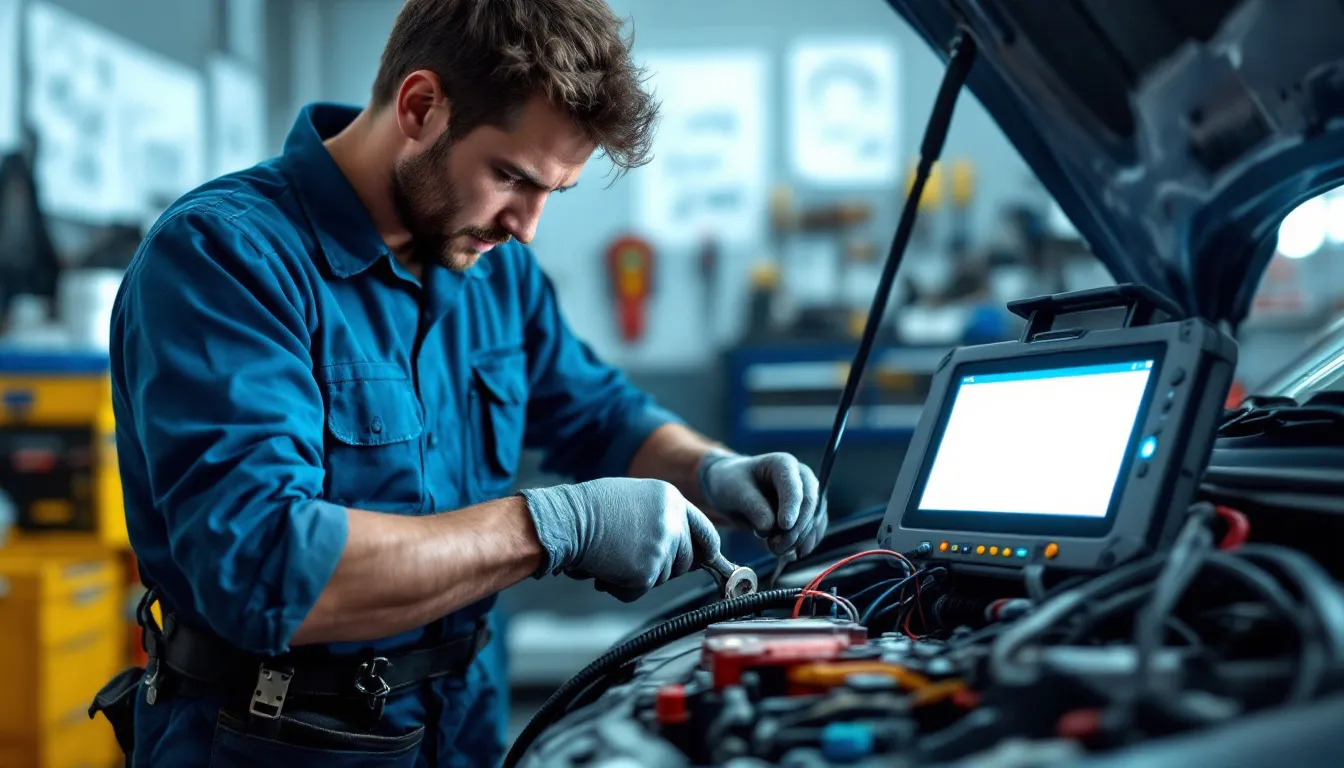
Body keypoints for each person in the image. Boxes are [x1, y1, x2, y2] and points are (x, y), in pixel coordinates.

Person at [94, 1, 828, 766]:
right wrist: (554, 526)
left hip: (464, 726)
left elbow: (598, 411)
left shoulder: (491, 268)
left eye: (554, 192)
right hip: (275, 739)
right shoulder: (226, 258)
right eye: (511, 177)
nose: (528, 226)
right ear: (420, 106)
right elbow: (262, 563)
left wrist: (710, 469)